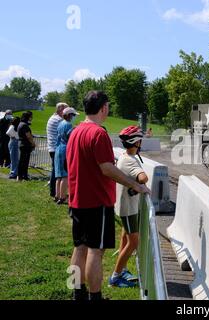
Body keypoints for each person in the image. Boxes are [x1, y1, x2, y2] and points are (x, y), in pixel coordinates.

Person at [66, 91, 151, 301]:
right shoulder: (98, 133)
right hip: (96, 201)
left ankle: (78, 294)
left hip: (77, 199)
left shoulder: (76, 132)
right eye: (108, 106)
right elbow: (107, 168)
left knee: (80, 248)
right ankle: (95, 297)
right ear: (103, 107)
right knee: (96, 251)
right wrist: (134, 184)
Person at [109, 126, 148, 288]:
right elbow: (143, 177)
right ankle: (116, 276)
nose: (141, 143)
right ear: (136, 142)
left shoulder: (125, 157)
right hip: (129, 208)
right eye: (140, 140)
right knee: (134, 242)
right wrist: (138, 186)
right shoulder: (130, 161)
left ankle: (122, 269)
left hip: (123, 205)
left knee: (125, 237)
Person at [54, 107, 79, 205]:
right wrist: (75, 129)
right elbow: (70, 137)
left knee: (58, 175)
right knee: (65, 175)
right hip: (65, 150)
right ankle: (63, 197)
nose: (74, 117)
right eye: (73, 115)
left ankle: (57, 195)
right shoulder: (68, 124)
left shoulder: (60, 124)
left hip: (58, 149)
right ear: (69, 115)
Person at [47, 103, 68, 200]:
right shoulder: (59, 120)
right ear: (61, 110)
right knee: (59, 173)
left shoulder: (53, 118)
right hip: (57, 147)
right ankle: (55, 192)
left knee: (56, 171)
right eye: (65, 110)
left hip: (52, 147)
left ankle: (56, 192)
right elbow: (65, 131)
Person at [17, 111, 35, 181]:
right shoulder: (24, 125)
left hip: (22, 144)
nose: (31, 118)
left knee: (22, 161)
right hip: (25, 145)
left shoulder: (20, 124)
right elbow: (28, 136)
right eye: (30, 116)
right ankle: (23, 176)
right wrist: (33, 143)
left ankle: (21, 176)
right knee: (24, 161)